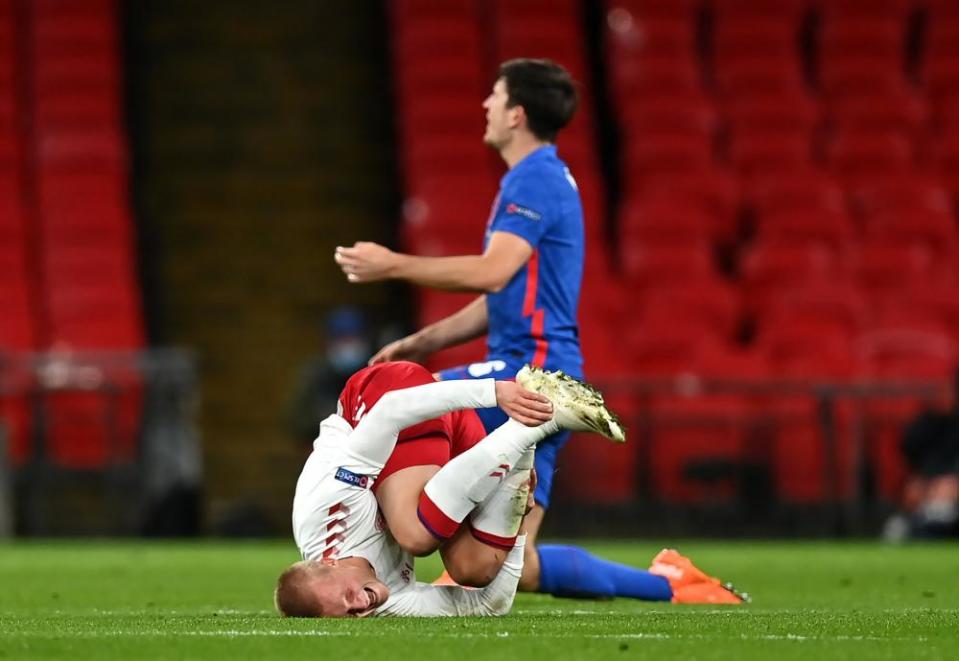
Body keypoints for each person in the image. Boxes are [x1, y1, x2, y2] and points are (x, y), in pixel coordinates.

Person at [333, 58, 711, 603]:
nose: (484, 105)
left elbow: (492, 271)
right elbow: (505, 295)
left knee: (410, 405)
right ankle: (672, 586)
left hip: (530, 372)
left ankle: (371, 555)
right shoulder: (540, 177)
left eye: (494, 96)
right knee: (512, 565)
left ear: (516, 114)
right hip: (549, 373)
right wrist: (425, 341)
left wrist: (390, 263)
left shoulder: (534, 178)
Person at [275, 362, 625, 617]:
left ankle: (538, 420)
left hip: (390, 397)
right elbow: (489, 604)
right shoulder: (383, 605)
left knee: (415, 535)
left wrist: (493, 392)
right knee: (476, 568)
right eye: (349, 615)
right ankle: (530, 429)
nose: (360, 604)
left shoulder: (327, 511)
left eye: (347, 596)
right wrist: (517, 522)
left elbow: (389, 413)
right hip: (445, 450)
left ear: (331, 563)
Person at [287, 306, 373, 447]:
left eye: (352, 339)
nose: (348, 346)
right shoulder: (316, 374)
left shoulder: (374, 373)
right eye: (342, 339)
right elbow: (296, 420)